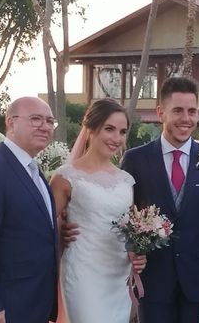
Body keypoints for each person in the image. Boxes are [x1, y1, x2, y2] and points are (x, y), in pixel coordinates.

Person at [120, 76, 199, 323]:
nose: (186, 118)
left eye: (192, 111)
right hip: (153, 283)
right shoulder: (135, 160)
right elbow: (122, 217)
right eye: (178, 110)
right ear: (161, 112)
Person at [0, 96, 58, 323]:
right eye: (35, 119)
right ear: (11, 123)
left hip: (35, 303)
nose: (45, 126)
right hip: (6, 307)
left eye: (49, 121)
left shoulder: (34, 171)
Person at [50, 98, 145, 323]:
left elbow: (132, 231)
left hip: (118, 275)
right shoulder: (66, 177)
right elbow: (42, 226)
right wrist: (60, 232)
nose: (116, 138)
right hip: (83, 274)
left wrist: (139, 253)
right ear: (91, 128)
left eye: (122, 132)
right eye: (109, 129)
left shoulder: (127, 181)